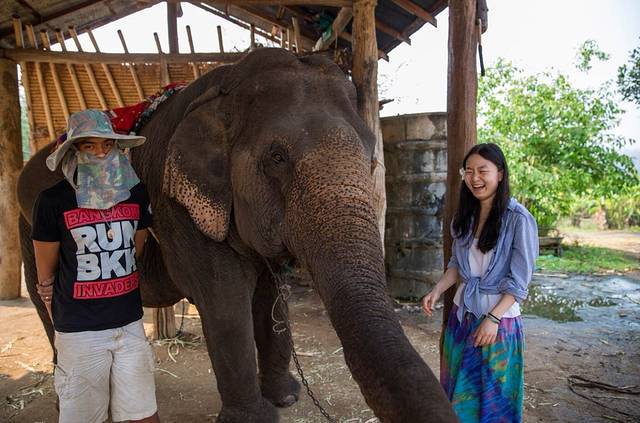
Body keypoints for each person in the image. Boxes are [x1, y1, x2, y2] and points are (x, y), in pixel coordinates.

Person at [31, 109, 160, 423]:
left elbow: (133, 250)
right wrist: (59, 320)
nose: (100, 152)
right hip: (80, 331)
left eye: (106, 144)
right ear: (74, 151)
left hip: (129, 324)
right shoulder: (53, 201)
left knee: (144, 415)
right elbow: (45, 275)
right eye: (89, 145)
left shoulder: (135, 193)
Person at [422, 143, 538, 423]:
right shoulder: (465, 216)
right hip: (461, 317)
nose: (475, 178)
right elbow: (457, 266)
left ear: (500, 174)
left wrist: (493, 318)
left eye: (483, 171)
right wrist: (437, 290)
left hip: (497, 323)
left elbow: (519, 281)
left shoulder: (518, 219)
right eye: (469, 171)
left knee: (493, 402)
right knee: (457, 395)